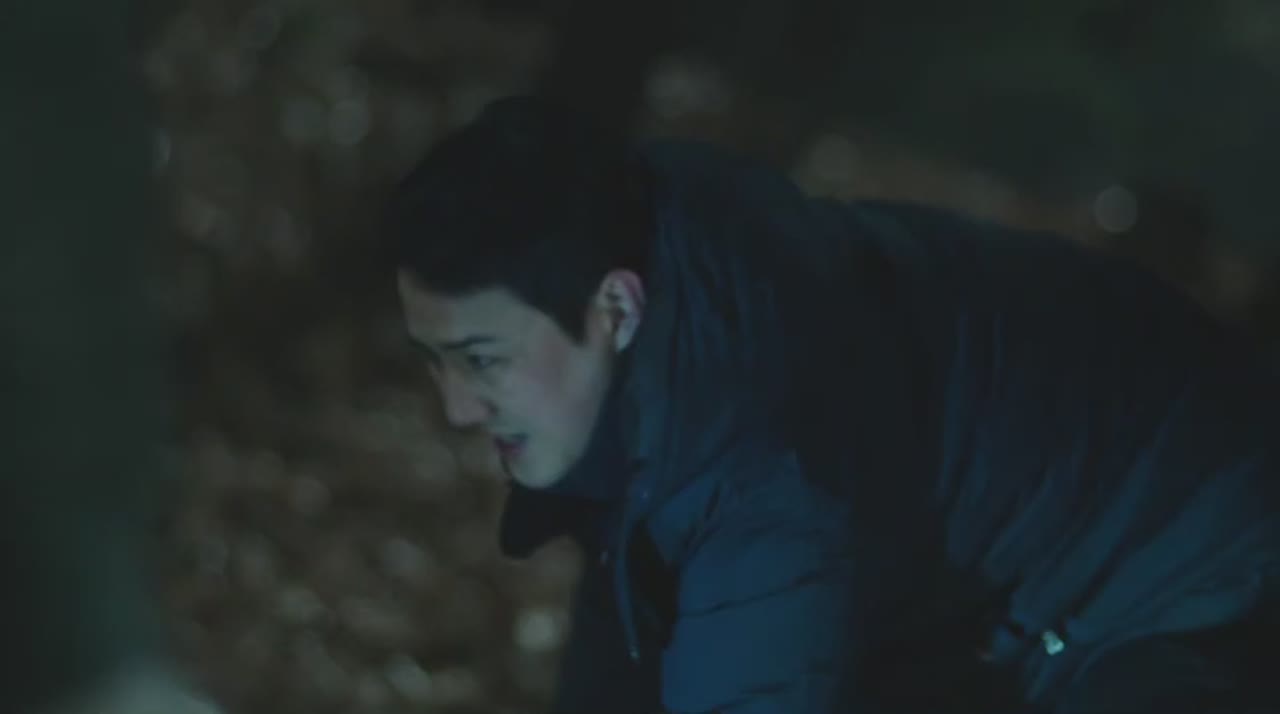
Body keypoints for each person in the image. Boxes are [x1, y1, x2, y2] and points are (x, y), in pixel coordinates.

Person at [385, 95, 1280, 713]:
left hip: (1186, 562)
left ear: (614, 309)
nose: (457, 409)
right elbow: (629, 643)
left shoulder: (757, 460)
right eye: (436, 362)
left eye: (482, 361)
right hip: (1017, 573)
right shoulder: (655, 319)